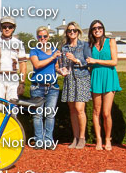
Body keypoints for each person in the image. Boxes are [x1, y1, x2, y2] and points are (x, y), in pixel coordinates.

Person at [87, 20, 121, 150]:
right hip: (96, 77)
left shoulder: (110, 41)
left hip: (109, 77)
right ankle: (99, 139)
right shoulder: (90, 45)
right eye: (94, 28)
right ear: (91, 31)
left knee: (106, 113)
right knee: (96, 111)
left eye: (99, 27)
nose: (97, 30)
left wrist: (96, 60)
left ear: (103, 29)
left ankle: (107, 139)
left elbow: (114, 62)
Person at [59, 22, 92, 150]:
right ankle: (75, 137)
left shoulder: (84, 45)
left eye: (74, 30)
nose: (72, 32)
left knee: (79, 109)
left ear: (78, 32)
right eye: (69, 30)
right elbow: (62, 64)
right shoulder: (64, 48)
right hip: (69, 79)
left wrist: (76, 60)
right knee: (72, 110)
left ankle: (82, 137)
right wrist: (62, 70)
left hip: (82, 78)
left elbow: (89, 61)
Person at [29, 26, 61, 149]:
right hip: (38, 87)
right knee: (37, 115)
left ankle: (48, 140)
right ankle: (39, 140)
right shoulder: (34, 51)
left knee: (50, 114)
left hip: (52, 87)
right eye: (40, 36)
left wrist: (62, 71)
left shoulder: (54, 50)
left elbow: (56, 67)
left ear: (48, 37)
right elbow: (37, 65)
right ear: (37, 37)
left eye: (45, 36)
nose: (43, 38)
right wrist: (52, 57)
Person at [0, 17, 27, 102]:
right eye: (4, 27)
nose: (7, 29)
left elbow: (23, 64)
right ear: (1, 28)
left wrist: (22, 83)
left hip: (13, 77)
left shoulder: (18, 43)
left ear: (13, 28)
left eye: (10, 27)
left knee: (12, 105)